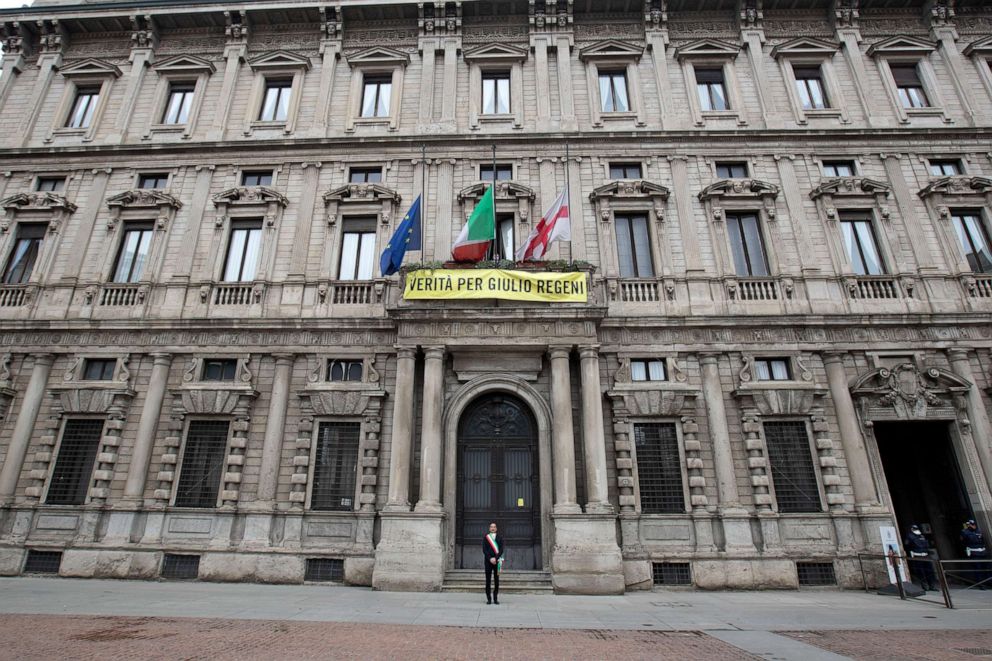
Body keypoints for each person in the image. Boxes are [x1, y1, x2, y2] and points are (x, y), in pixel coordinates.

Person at [904, 524, 936, 592]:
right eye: (914, 528)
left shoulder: (921, 535)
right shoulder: (909, 536)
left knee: (929, 571)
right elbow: (907, 545)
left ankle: (932, 586)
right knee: (921, 572)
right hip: (917, 555)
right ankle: (925, 586)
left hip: (926, 555)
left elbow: (927, 544)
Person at [961, 519, 990, 590]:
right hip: (974, 552)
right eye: (971, 524)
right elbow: (963, 542)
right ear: (968, 525)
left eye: (973, 524)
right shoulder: (964, 532)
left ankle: (988, 582)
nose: (973, 526)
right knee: (978, 568)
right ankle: (981, 584)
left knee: (986, 568)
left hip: (982, 552)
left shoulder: (978, 531)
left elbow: (982, 540)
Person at [483, 521, 504, 605]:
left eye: (494, 527)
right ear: (489, 528)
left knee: (497, 581)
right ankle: (489, 599)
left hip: (498, 561)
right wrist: (490, 559)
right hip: (488, 562)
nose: (493, 528)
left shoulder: (500, 537)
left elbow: (501, 549)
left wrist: (495, 558)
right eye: (491, 527)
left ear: (496, 528)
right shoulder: (486, 537)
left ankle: (495, 598)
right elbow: (484, 550)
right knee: (488, 580)